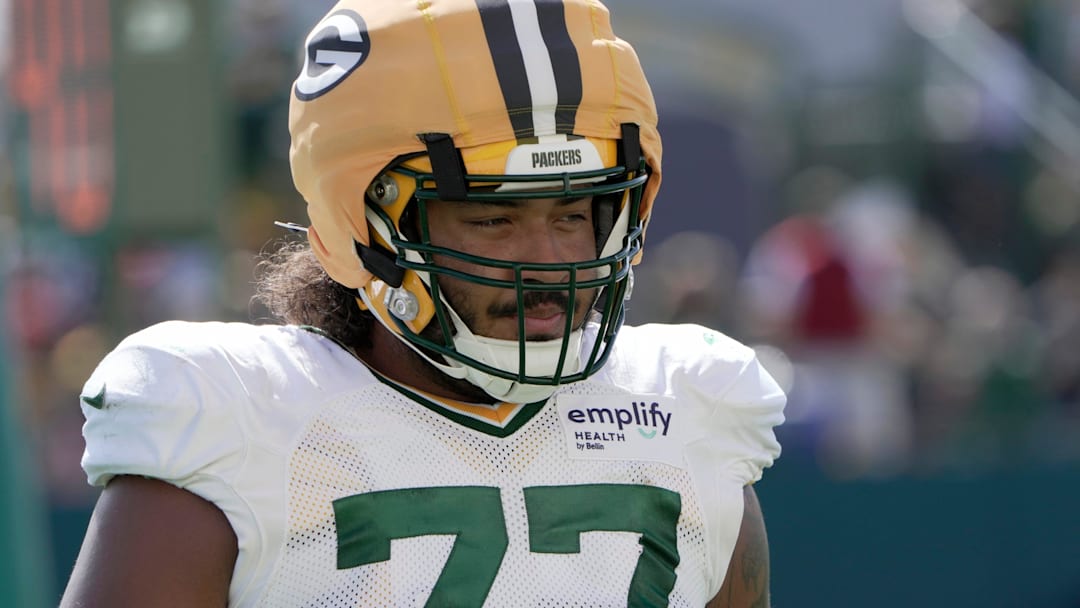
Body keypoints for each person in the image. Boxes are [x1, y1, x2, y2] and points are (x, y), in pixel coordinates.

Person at [61, 0, 786, 606]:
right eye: (493, 219)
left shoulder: (687, 416)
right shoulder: (237, 423)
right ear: (365, 224)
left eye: (573, 215)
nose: (548, 264)